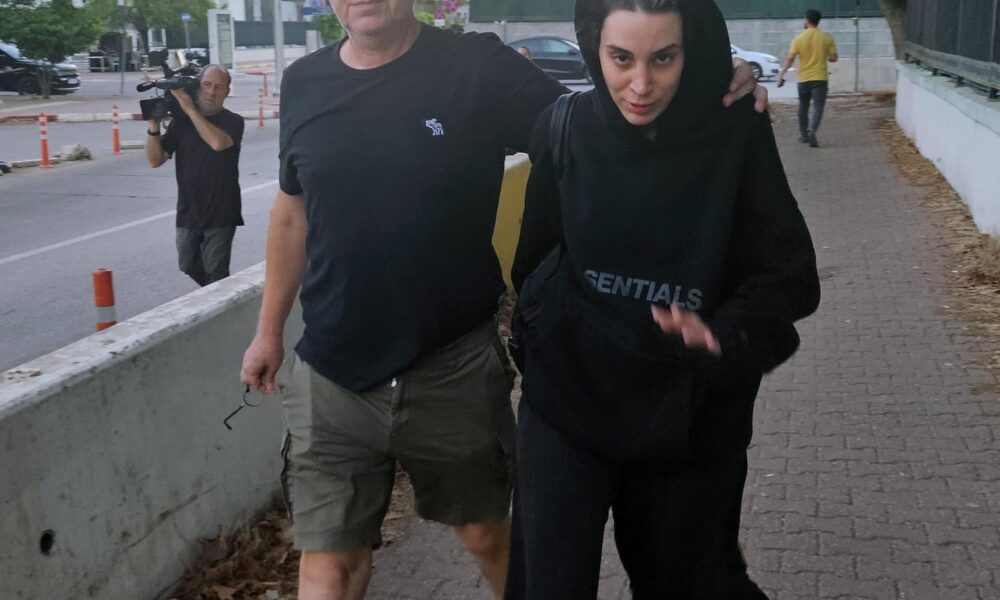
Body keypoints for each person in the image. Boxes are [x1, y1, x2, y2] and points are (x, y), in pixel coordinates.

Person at [238, 0, 769, 596]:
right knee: (328, 564)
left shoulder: (476, 66)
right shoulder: (303, 80)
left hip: (451, 367)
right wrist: (268, 331)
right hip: (329, 373)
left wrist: (708, 78)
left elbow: (603, 123)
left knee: (490, 540)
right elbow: (292, 213)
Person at [504, 0, 820, 598]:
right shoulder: (563, 127)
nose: (641, 85)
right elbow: (535, 260)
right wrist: (542, 338)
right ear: (594, 50)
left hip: (688, 417)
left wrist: (724, 332)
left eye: (664, 59)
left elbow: (789, 275)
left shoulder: (735, 127)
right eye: (621, 58)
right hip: (567, 405)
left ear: (691, 51)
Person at [145, 64, 245, 286]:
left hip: (221, 212)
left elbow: (217, 143)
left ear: (227, 92)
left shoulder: (233, 121)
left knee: (216, 272)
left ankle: (218, 298)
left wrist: (190, 110)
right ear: (198, 87)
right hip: (188, 210)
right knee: (187, 264)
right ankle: (218, 297)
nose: (211, 92)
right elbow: (155, 160)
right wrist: (153, 127)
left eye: (218, 87)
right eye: (206, 85)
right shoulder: (181, 123)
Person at [777, 9, 838, 148]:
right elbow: (834, 57)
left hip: (803, 79)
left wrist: (782, 75)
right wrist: (828, 57)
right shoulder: (826, 37)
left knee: (803, 107)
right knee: (818, 107)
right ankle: (812, 130)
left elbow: (790, 58)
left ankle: (804, 135)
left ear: (807, 20)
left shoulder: (799, 38)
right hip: (820, 79)